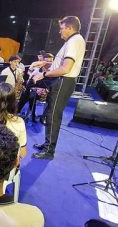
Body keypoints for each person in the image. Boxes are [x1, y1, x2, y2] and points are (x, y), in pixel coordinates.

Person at [31, 16, 85, 159]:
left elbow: (65, 68)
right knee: (50, 113)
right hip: (61, 81)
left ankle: (49, 151)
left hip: (63, 81)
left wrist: (43, 74)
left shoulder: (74, 41)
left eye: (61, 28)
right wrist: (47, 65)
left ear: (69, 28)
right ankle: (47, 144)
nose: (60, 32)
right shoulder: (73, 41)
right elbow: (60, 64)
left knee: (53, 116)